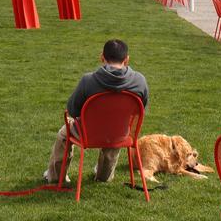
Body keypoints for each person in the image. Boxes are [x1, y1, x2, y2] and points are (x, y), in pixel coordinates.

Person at [44, 39, 149, 184]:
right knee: (117, 129)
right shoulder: (140, 81)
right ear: (127, 59)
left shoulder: (88, 81)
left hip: (89, 133)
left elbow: (73, 110)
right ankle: (103, 177)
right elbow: (141, 110)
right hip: (119, 133)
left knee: (64, 132)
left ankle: (56, 176)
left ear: (102, 57)